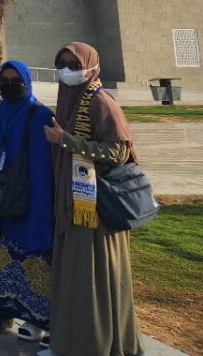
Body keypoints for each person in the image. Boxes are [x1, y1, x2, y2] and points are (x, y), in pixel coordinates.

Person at [40, 43, 142, 356]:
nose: (66, 70)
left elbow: (118, 151)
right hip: (74, 203)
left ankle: (96, 346)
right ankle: (69, 344)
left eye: (74, 64)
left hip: (95, 209)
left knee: (93, 278)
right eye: (61, 64)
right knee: (74, 276)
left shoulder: (101, 101)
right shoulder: (70, 100)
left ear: (91, 66)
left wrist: (66, 140)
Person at [0, 59, 54, 338]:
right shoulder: (3, 112)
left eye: (16, 80)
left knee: (36, 257)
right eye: (3, 81)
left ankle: (44, 322)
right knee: (13, 258)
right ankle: (24, 317)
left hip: (33, 199)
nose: (9, 85)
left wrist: (38, 204)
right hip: (7, 196)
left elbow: (44, 169)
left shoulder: (41, 115)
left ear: (27, 82)